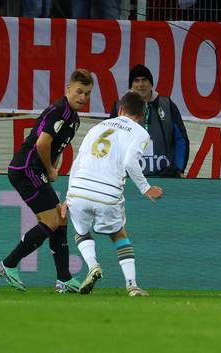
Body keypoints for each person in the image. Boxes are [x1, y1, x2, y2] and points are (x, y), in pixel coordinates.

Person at [0, 69, 94, 292]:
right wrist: (50, 169)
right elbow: (42, 144)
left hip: (32, 170)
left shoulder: (73, 118)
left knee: (60, 217)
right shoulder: (61, 111)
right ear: (68, 89)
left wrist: (53, 166)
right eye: (79, 92)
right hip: (26, 168)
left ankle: (64, 279)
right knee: (51, 220)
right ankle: (8, 264)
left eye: (87, 94)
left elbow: (55, 145)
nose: (83, 98)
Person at [66, 91, 163, 297]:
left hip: (79, 189)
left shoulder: (97, 127)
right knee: (119, 234)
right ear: (143, 115)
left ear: (120, 110)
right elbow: (129, 162)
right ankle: (132, 285)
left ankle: (93, 265)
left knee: (81, 231)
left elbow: (78, 160)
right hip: (107, 193)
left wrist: (68, 197)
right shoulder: (140, 133)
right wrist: (146, 188)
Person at [109, 64, 189, 177]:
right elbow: (110, 141)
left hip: (164, 177)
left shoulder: (167, 105)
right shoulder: (119, 107)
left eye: (144, 80)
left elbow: (180, 139)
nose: (141, 84)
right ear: (131, 85)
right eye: (136, 81)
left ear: (151, 83)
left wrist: (178, 168)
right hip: (129, 178)